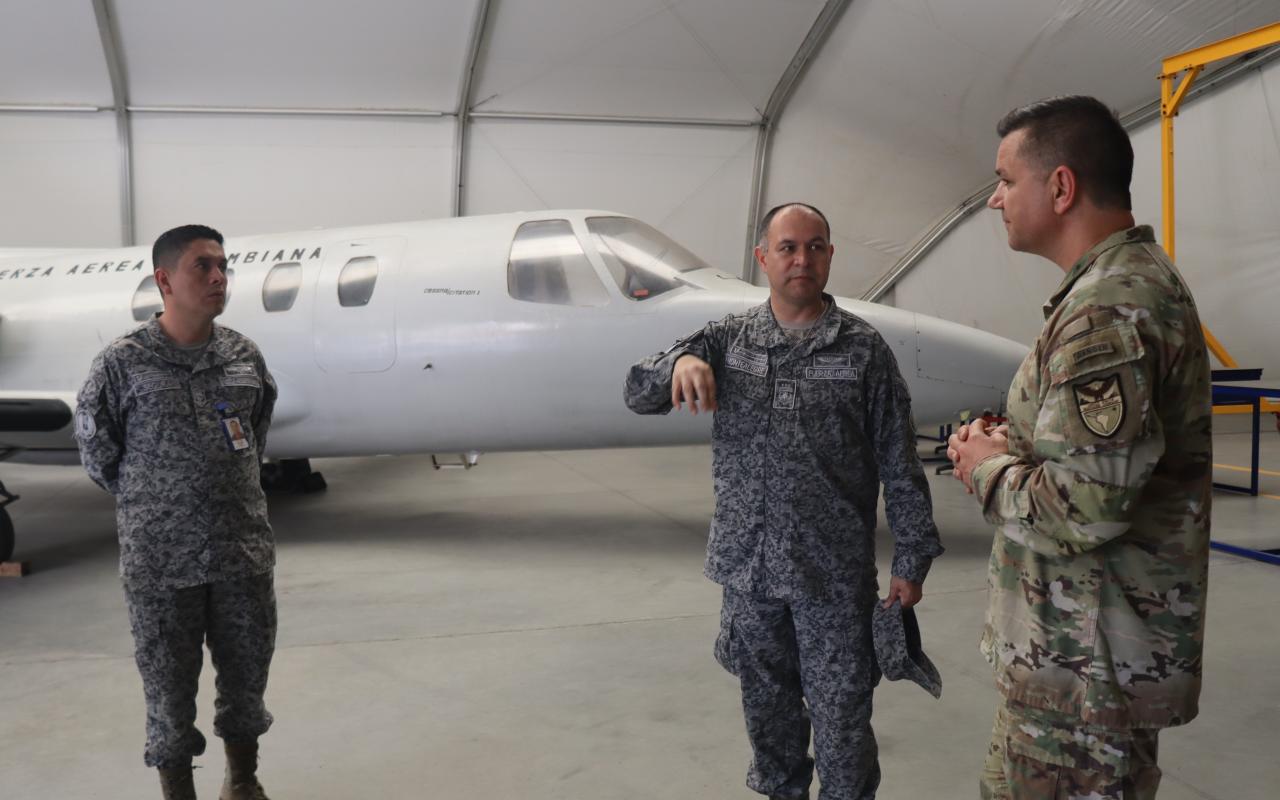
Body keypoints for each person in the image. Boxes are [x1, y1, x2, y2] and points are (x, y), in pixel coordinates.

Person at [624, 203, 943, 800]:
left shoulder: (862, 351)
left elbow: (900, 462)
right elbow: (638, 391)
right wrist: (682, 360)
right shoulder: (727, 338)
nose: (803, 259)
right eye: (789, 247)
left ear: (829, 256)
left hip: (833, 581)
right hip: (750, 575)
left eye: (816, 247)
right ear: (763, 258)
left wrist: (911, 559)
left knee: (844, 730)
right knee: (770, 729)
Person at [947, 96, 1212, 799]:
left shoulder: (1106, 310)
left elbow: (1085, 507)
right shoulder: (1110, 291)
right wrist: (1019, 445)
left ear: (1060, 187)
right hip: (1069, 665)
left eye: (1006, 181)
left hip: (1085, 675)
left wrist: (986, 467)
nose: (995, 200)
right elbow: (1096, 459)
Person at [76, 224, 280, 800]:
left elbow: (256, 437)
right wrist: (162, 503)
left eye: (222, 266)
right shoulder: (122, 363)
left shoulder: (244, 355)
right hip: (161, 565)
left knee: (246, 683)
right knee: (168, 693)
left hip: (241, 553)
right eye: (202, 267)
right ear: (164, 280)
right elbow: (99, 457)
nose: (218, 277)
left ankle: (243, 782)